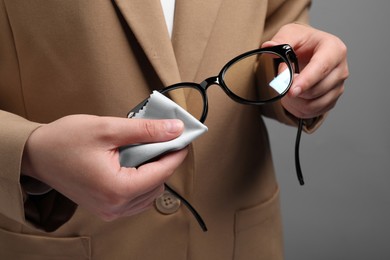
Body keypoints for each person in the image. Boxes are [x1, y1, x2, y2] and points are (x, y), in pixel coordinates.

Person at [0, 0, 348, 259]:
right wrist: (31, 152)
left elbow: (274, 25)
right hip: (62, 237)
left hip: (233, 238)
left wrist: (296, 74)